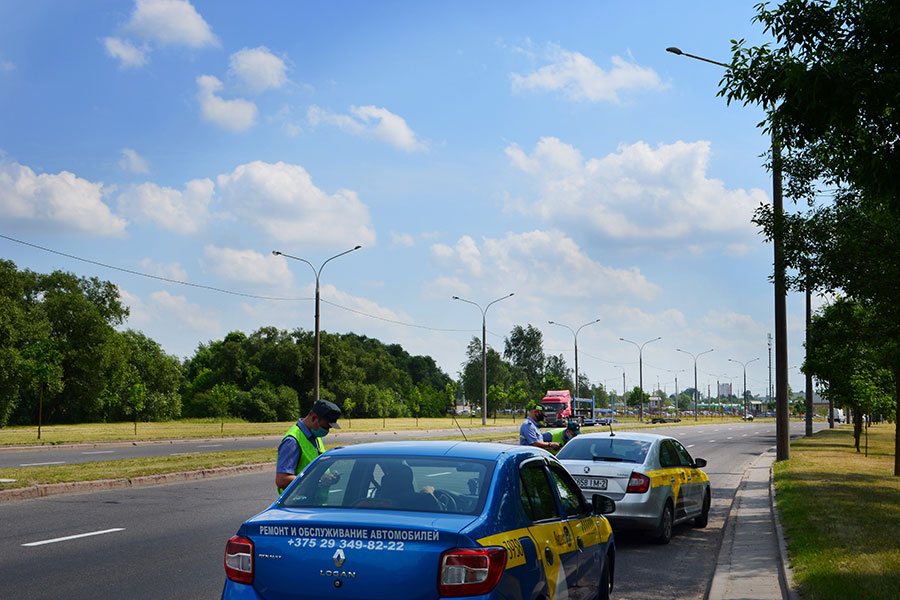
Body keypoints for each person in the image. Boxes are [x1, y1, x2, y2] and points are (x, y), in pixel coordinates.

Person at [276, 399, 342, 494]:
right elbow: (282, 480)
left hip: (314, 504)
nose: (327, 430)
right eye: (326, 427)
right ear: (314, 418)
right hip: (298, 505)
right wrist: (318, 480)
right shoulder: (292, 441)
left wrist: (329, 478)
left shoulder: (315, 437)